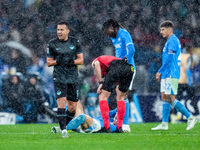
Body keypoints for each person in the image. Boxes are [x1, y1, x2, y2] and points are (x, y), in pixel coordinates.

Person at [151, 20, 197, 131]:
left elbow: (169, 59)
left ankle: (190, 117)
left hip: (171, 73)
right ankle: (164, 124)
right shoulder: (168, 41)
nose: (161, 32)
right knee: (164, 97)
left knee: (171, 98)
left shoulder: (173, 41)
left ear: (169, 29)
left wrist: (160, 71)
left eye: (162, 30)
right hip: (167, 73)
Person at [46, 21, 84, 138]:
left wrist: (71, 61)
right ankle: (63, 130)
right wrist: (58, 61)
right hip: (59, 77)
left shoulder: (75, 42)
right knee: (61, 103)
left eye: (62, 30)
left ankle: (64, 126)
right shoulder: (52, 44)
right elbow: (48, 62)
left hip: (72, 77)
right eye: (58, 30)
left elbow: (81, 60)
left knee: (72, 107)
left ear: (68, 31)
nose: (59, 32)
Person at [102, 19, 136, 129]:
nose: (108, 35)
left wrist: (125, 60)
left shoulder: (124, 34)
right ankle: (117, 115)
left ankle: (125, 124)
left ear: (114, 27)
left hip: (128, 69)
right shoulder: (113, 37)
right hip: (119, 69)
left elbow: (131, 49)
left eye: (108, 32)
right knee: (119, 95)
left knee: (123, 95)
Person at [92, 55, 134, 133]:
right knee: (121, 97)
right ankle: (120, 127)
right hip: (129, 68)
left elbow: (96, 64)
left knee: (102, 97)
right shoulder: (111, 60)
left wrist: (101, 82)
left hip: (116, 68)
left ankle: (106, 127)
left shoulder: (97, 60)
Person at [51, 98, 131, 133]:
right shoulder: (111, 117)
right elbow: (111, 112)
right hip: (92, 123)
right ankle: (73, 127)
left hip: (96, 126)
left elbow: (126, 101)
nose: (117, 120)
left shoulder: (115, 127)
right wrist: (117, 112)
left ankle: (63, 128)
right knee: (76, 100)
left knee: (83, 117)